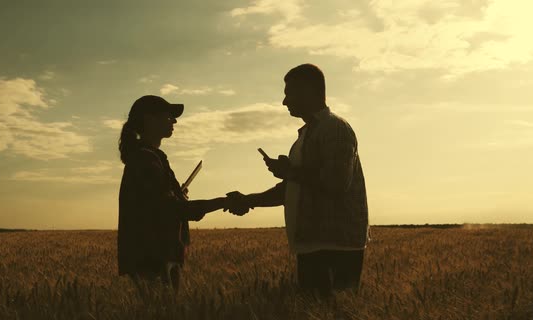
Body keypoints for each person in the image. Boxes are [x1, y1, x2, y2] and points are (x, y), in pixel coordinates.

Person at [228, 64, 369, 294]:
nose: (284, 101)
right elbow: (293, 189)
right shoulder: (308, 134)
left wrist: (290, 172)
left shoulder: (334, 129)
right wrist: (248, 200)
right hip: (314, 243)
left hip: (334, 245)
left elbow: (336, 183)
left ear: (308, 91)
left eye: (289, 93)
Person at [117, 95, 230, 291]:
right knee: (160, 316)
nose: (174, 121)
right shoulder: (146, 160)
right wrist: (222, 202)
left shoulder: (148, 157)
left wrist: (176, 197)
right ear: (149, 119)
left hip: (155, 257)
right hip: (153, 259)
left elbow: (159, 204)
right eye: (168, 116)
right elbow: (170, 209)